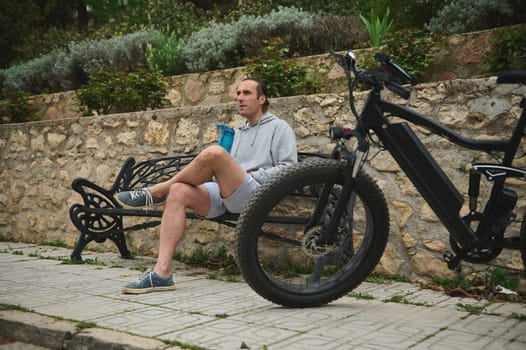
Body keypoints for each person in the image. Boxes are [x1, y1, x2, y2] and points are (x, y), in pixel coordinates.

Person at [116, 78, 298, 294]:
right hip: (225, 192)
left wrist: (254, 174)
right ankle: (161, 274)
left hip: (254, 193)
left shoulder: (280, 128)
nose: (239, 98)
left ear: (262, 99)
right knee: (178, 191)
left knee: (214, 153)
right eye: (238, 93)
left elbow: (290, 168)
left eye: (246, 93)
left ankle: (158, 190)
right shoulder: (237, 132)